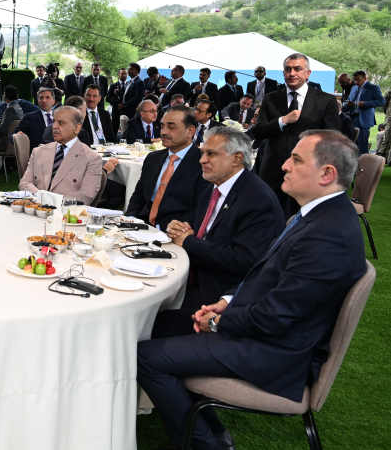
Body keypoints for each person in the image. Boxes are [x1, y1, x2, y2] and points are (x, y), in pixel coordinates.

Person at [138, 130, 366, 450]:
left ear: (327, 174)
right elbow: (268, 279)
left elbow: (278, 315)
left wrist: (220, 321)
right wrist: (227, 302)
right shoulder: (322, 216)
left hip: (275, 352)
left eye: (296, 159)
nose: (284, 165)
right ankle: (211, 430)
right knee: (155, 325)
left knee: (144, 357)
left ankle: (204, 445)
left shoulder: (328, 234)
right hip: (266, 333)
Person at [162, 126, 285, 312]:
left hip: (221, 295)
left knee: (153, 316)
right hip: (195, 276)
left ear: (236, 158)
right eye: (203, 153)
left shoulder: (257, 199)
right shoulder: (214, 188)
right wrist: (182, 229)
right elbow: (207, 233)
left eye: (211, 154)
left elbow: (243, 259)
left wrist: (188, 241)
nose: (202, 160)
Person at [253, 53, 341, 217]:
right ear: (283, 73)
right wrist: (282, 120)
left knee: (300, 219)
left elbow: (332, 138)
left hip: (308, 170)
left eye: (297, 69)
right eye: (288, 69)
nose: (292, 73)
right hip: (272, 169)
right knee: (268, 216)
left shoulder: (325, 101)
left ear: (308, 73)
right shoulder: (270, 98)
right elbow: (258, 131)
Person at [126, 106, 211, 228]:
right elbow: (139, 196)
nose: (163, 132)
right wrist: (131, 219)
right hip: (143, 225)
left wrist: (168, 229)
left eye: (171, 127)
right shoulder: (153, 158)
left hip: (176, 230)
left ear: (190, 131)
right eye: (162, 126)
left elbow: (200, 209)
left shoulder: (203, 163)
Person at [18, 106, 104, 202]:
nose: (54, 126)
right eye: (54, 121)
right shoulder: (38, 152)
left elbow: (86, 195)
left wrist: (52, 201)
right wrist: (40, 197)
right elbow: (25, 183)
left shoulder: (91, 158)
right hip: (35, 206)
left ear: (76, 128)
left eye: (61, 123)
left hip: (66, 210)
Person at [343, 69, 385, 154]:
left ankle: (363, 161)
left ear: (365, 78)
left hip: (363, 119)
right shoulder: (354, 88)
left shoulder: (373, 87)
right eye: (354, 80)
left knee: (362, 144)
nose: (356, 82)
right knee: (350, 143)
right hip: (351, 117)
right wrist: (348, 104)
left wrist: (365, 104)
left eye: (358, 80)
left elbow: (382, 102)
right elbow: (349, 100)